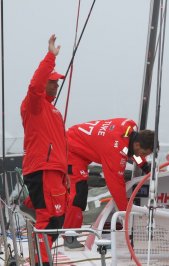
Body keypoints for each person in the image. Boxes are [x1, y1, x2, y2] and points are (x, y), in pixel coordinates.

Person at [63, 118, 154, 250]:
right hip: (71, 148)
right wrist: (125, 214)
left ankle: (35, 206)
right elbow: (116, 186)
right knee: (79, 192)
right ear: (138, 145)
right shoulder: (115, 150)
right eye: (144, 154)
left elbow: (132, 151)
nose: (143, 155)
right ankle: (69, 237)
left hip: (79, 140)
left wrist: (144, 166)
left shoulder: (129, 128)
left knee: (72, 190)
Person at [20, 34, 68, 265]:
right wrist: (51, 57)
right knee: (50, 221)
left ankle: (30, 208)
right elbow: (35, 85)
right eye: (53, 81)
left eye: (58, 82)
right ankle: (41, 262)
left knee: (56, 220)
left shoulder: (53, 112)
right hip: (43, 168)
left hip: (54, 171)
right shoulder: (34, 105)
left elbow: (60, 144)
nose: (56, 85)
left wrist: (65, 173)